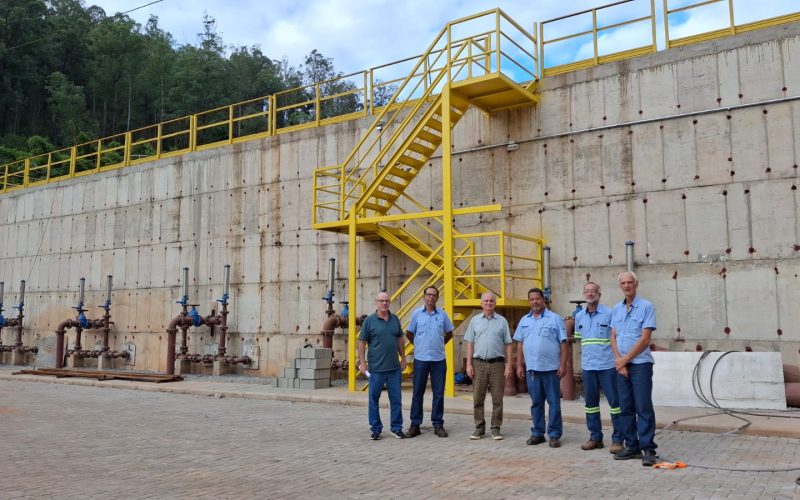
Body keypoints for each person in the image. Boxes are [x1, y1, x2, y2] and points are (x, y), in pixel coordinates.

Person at [610, 271, 658, 466]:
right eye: (623, 283)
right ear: (620, 286)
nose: (627, 285)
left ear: (636, 284)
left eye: (630, 282)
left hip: (640, 365)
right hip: (621, 365)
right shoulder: (616, 309)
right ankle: (632, 446)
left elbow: (645, 338)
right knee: (626, 407)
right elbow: (612, 336)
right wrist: (619, 361)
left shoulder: (647, 307)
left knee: (643, 406)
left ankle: (648, 449)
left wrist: (626, 359)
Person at [514, 288, 568, 448]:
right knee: (536, 403)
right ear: (529, 301)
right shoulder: (524, 321)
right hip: (532, 370)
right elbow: (519, 343)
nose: (535, 302)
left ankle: (554, 434)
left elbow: (564, 343)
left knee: (554, 403)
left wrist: (563, 364)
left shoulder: (555, 319)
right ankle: (537, 433)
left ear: (543, 300)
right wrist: (519, 365)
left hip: (551, 370)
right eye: (531, 299)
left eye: (538, 298)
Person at [574, 282, 623, 454]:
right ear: (584, 294)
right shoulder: (579, 316)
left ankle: (618, 440)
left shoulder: (609, 314)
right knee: (591, 405)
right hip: (588, 368)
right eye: (586, 291)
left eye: (593, 291)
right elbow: (581, 340)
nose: (589, 294)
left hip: (608, 366)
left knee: (615, 404)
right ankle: (595, 438)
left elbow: (615, 338)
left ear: (599, 294)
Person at [406, 286, 455, 438]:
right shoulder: (416, 314)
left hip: (438, 360)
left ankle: (438, 424)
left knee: (439, 393)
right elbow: (409, 333)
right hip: (421, 359)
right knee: (417, 392)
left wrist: (439, 344)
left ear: (437, 298)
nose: (431, 297)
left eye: (434, 295)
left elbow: (449, 333)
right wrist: (420, 345)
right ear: (424, 297)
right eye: (428, 295)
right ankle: (415, 425)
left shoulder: (442, 315)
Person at [358, 291, 407, 440]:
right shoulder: (369, 321)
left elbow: (400, 339)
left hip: (394, 368)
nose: (384, 303)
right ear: (376, 302)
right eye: (381, 301)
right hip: (376, 368)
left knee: (396, 399)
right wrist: (362, 363)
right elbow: (362, 342)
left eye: (387, 301)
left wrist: (403, 357)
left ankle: (396, 427)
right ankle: (376, 428)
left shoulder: (395, 319)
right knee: (374, 399)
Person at [465, 292, 513, 440]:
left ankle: (495, 428)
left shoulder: (502, 321)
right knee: (478, 397)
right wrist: (468, 364)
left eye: (491, 301)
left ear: (495, 303)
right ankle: (479, 427)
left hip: (497, 364)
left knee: (497, 398)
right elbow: (470, 343)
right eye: (486, 301)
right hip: (479, 364)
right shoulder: (474, 321)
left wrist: (508, 365)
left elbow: (508, 344)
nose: (488, 303)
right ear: (481, 304)